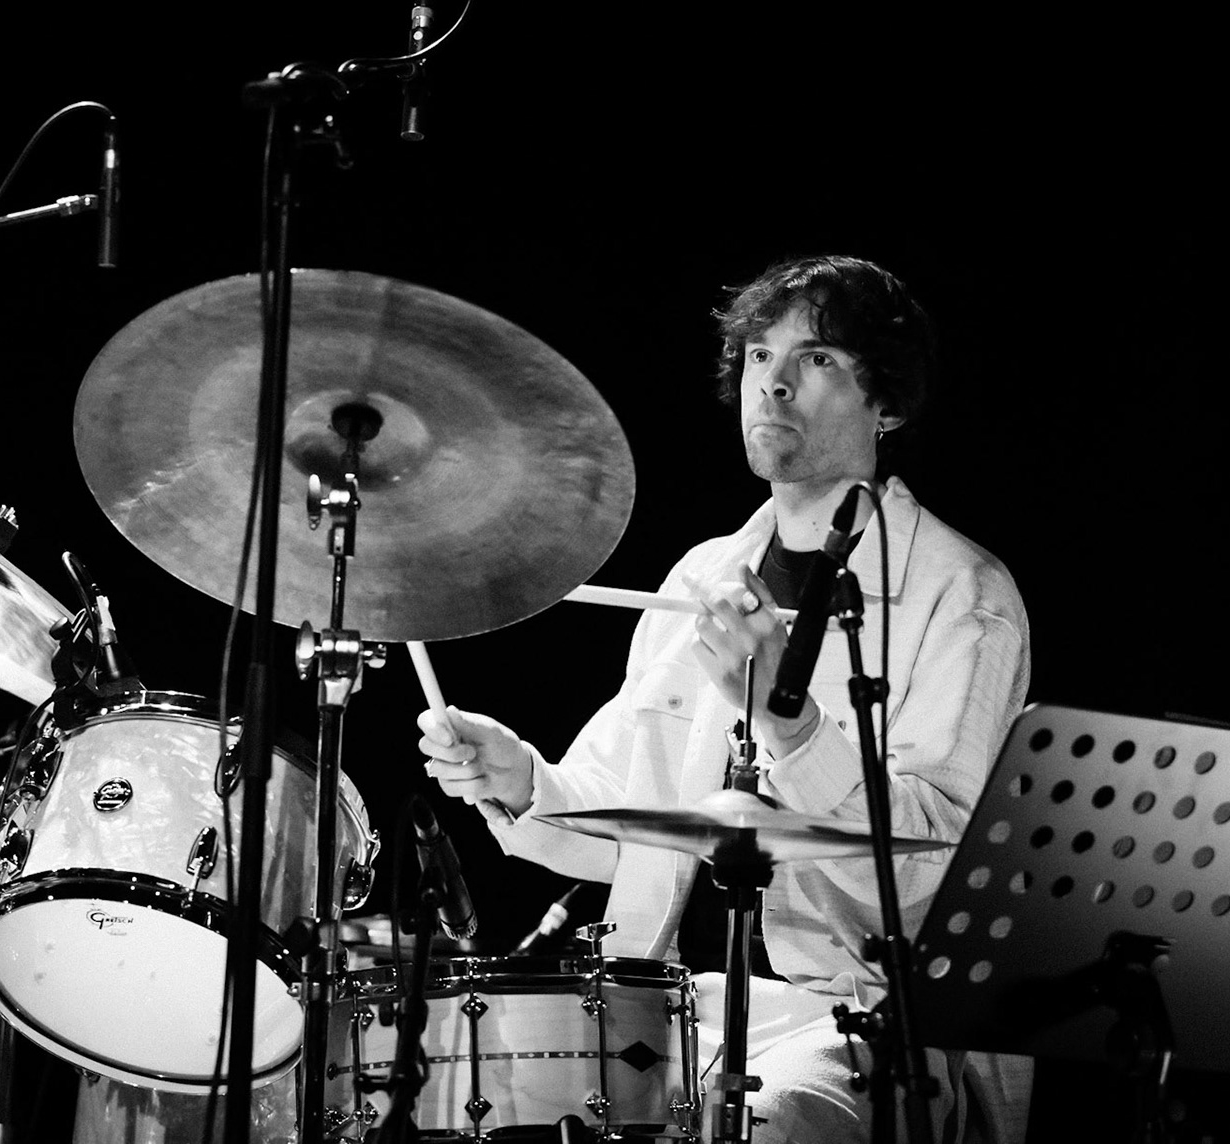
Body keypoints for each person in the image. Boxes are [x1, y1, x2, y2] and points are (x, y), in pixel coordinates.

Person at [418, 254, 1034, 1143]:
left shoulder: (961, 595)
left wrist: (791, 723)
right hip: (660, 1004)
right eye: (757, 356)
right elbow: (624, 826)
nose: (773, 384)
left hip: (856, 1015)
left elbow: (932, 872)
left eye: (816, 359)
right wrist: (520, 779)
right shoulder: (701, 577)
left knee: (765, 1120)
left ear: (888, 403)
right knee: (461, 1097)